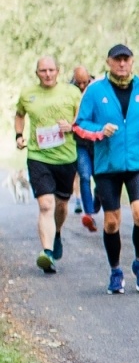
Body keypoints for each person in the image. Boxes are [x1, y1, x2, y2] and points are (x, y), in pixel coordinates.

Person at [74, 44, 139, 294]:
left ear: (132, 61)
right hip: (107, 165)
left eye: (126, 59)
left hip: (138, 162)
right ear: (108, 62)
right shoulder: (95, 91)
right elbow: (80, 125)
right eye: (117, 60)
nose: (122, 64)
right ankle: (115, 271)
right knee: (112, 222)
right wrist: (99, 131)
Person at [13, 55, 81, 273]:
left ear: (58, 71)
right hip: (38, 157)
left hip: (66, 157)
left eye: (51, 70)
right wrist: (18, 136)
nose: (48, 74)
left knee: (61, 205)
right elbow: (19, 115)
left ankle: (57, 232)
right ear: (37, 73)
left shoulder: (72, 93)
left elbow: (83, 120)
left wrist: (71, 126)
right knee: (45, 206)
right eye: (43, 71)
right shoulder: (27, 94)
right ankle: (47, 252)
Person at [69, 65, 99, 229]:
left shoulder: (98, 89)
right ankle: (89, 214)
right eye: (78, 83)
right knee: (85, 176)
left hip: (97, 142)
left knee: (100, 179)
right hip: (79, 143)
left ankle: (96, 203)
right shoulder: (69, 91)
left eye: (84, 83)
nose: (81, 86)